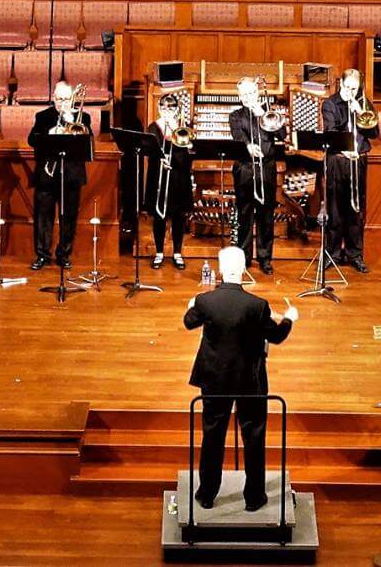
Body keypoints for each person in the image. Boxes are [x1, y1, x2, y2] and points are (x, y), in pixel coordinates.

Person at [184, 245, 298, 513]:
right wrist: (290, 319)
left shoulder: (205, 301)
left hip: (215, 378)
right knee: (253, 436)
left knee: (213, 435)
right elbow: (277, 336)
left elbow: (190, 322)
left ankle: (207, 494)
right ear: (245, 267)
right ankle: (254, 497)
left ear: (221, 269)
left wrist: (190, 304)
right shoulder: (257, 306)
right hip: (250, 380)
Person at [28, 80, 93, 269]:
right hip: (47, 174)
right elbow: (32, 140)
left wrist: (72, 123)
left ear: (72, 99)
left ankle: (64, 254)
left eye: (66, 98)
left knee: (69, 217)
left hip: (72, 175)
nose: (63, 102)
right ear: (53, 98)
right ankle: (42, 254)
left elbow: (88, 145)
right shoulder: (43, 117)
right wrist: (49, 134)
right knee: (43, 217)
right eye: (59, 99)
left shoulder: (83, 118)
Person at [319, 69, 375, 272]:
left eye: (355, 88)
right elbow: (331, 133)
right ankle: (332, 254)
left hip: (358, 160)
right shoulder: (331, 104)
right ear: (341, 84)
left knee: (356, 209)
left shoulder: (363, 103)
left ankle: (355, 254)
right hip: (338, 159)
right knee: (334, 209)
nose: (352, 91)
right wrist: (345, 150)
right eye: (348, 87)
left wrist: (360, 112)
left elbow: (374, 132)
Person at [228, 77, 284, 275]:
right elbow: (238, 135)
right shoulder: (235, 116)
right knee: (244, 214)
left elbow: (283, 135)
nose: (247, 97)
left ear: (258, 93)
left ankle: (265, 258)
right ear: (239, 96)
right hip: (245, 169)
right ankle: (244, 257)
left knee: (266, 215)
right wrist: (248, 146)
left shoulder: (269, 113)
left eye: (251, 93)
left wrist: (262, 113)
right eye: (243, 94)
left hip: (267, 168)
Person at [147, 91, 197, 269]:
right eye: (163, 107)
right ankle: (159, 252)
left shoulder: (183, 127)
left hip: (179, 176)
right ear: (159, 109)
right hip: (159, 175)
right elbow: (150, 151)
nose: (167, 110)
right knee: (159, 216)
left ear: (176, 110)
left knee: (178, 216)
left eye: (171, 107)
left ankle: (177, 253)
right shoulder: (154, 127)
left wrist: (190, 145)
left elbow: (190, 152)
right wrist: (160, 159)